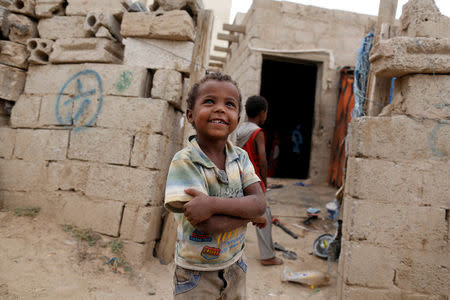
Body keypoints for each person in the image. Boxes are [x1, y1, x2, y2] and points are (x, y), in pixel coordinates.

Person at [164, 72, 267, 299]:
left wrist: (211, 203)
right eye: (209, 101)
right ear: (190, 115)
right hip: (196, 274)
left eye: (229, 104)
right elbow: (208, 224)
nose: (220, 109)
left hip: (235, 265)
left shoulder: (240, 158)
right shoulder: (185, 161)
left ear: (237, 119)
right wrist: (249, 214)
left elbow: (259, 203)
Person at [235, 95, 283, 266]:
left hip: (238, 178)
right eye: (266, 112)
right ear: (262, 113)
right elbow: (262, 160)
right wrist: (264, 181)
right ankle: (268, 256)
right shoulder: (257, 132)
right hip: (253, 180)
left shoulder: (240, 130)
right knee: (264, 215)